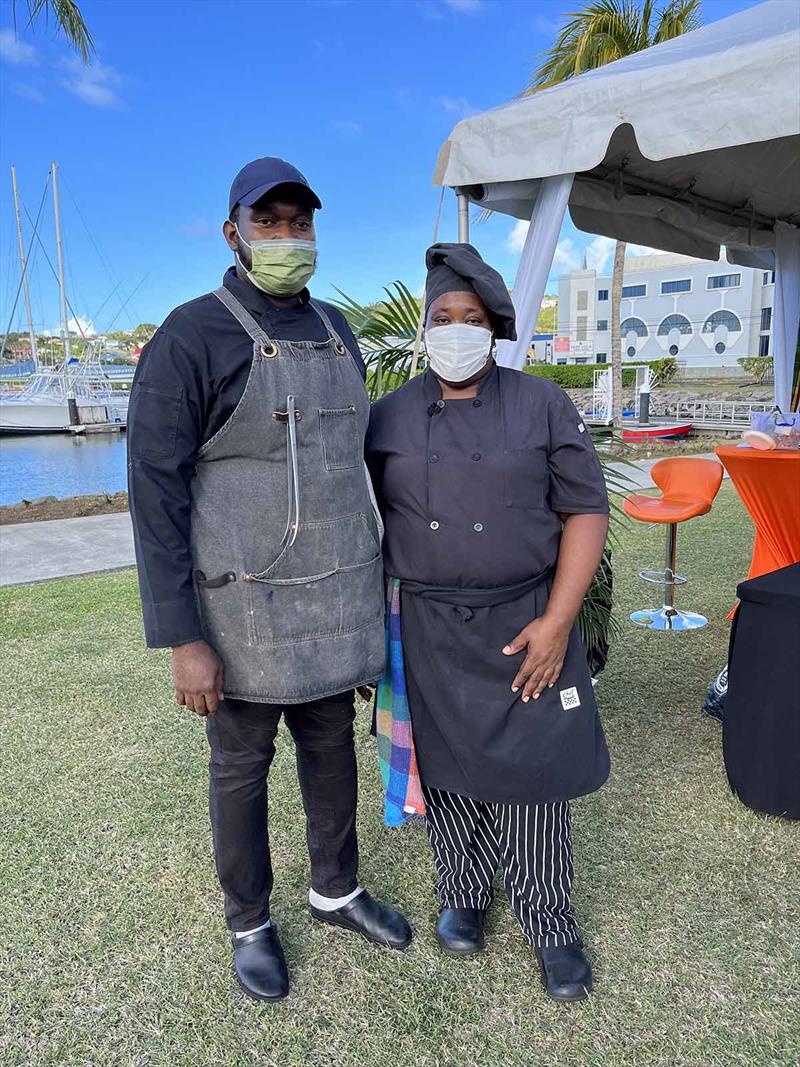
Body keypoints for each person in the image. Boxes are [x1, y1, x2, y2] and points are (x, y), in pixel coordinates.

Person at [127, 157, 411, 1004]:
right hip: (240, 606)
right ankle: (249, 917)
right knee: (241, 765)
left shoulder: (338, 329)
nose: (288, 238)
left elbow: (358, 462)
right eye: (271, 223)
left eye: (300, 223)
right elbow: (154, 490)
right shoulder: (190, 336)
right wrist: (183, 635)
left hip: (335, 591)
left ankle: (336, 887)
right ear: (233, 232)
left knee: (331, 751)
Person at [366, 243, 610, 1002]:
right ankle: (463, 892)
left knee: (533, 772)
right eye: (443, 317)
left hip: (526, 618)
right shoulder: (389, 416)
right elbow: (364, 519)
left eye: (472, 318)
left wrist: (558, 622)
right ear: (425, 328)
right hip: (429, 625)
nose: (456, 329)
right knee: (446, 767)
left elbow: (585, 510)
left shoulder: (542, 403)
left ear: (495, 329)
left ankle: (549, 918)